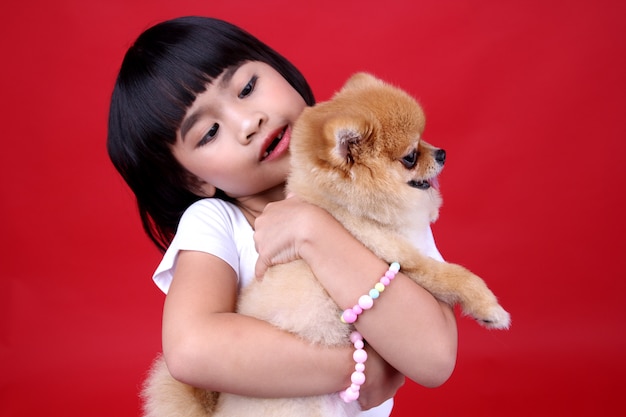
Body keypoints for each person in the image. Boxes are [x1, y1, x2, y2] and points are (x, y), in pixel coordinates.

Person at [107, 16, 457, 416]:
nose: (248, 122)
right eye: (208, 133)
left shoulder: (384, 199)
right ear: (193, 179)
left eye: (248, 87)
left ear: (280, 69)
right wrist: (357, 367)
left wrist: (313, 231)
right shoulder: (216, 222)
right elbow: (191, 349)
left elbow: (434, 358)